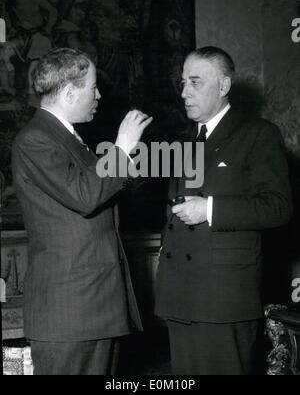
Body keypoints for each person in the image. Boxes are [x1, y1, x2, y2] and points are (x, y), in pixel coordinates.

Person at [12, 48, 152, 375]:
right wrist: (121, 147)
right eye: (92, 87)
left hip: (94, 306)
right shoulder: (35, 138)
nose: (98, 95)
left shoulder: (69, 138)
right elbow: (85, 196)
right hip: (71, 312)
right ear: (70, 92)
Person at [155, 46, 292, 375]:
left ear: (224, 86)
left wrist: (210, 209)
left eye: (196, 82)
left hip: (222, 298)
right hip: (179, 297)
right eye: (183, 82)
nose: (185, 92)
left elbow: (278, 207)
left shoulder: (258, 134)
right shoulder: (185, 142)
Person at [1, 0, 57, 107]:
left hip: (39, 36)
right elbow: (9, 26)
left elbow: (53, 11)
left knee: (34, 66)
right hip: (22, 38)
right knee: (3, 55)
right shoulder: (9, 6)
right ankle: (8, 90)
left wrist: (48, 27)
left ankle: (33, 98)